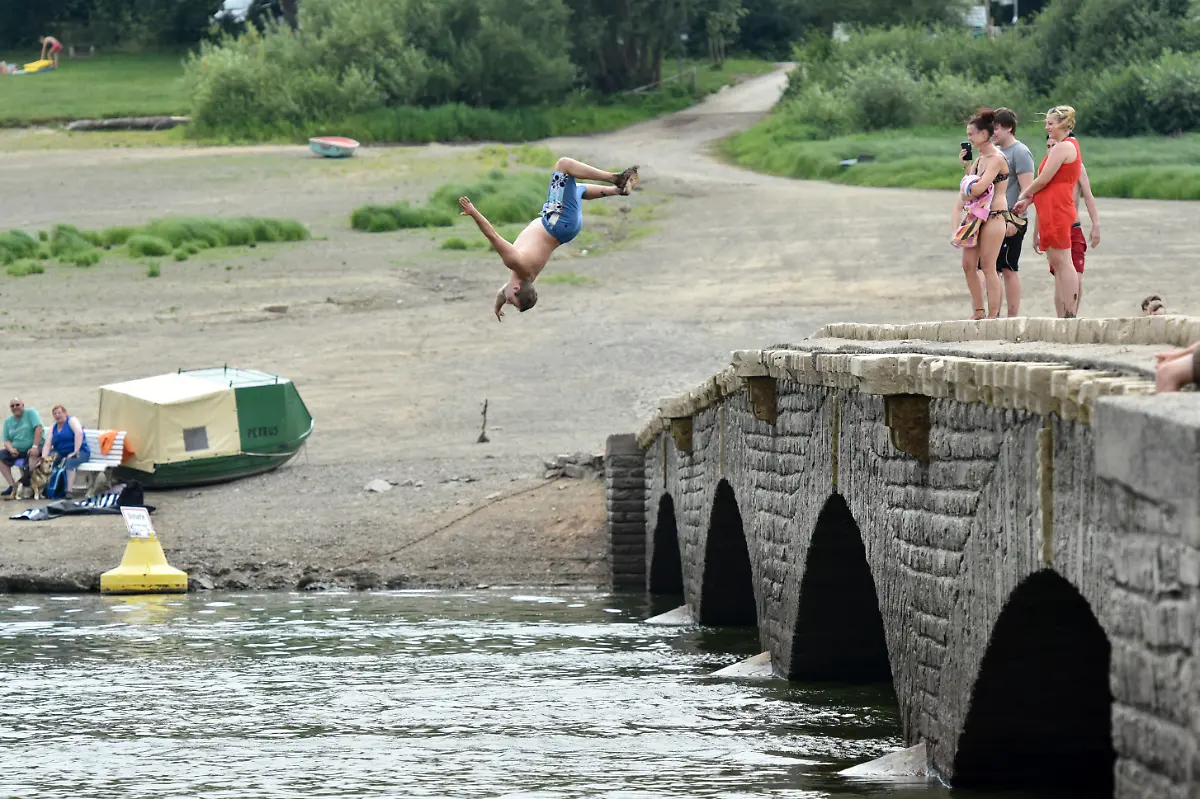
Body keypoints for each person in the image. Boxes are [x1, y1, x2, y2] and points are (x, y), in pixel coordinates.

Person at [458, 157, 639, 321]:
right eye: (511, 302)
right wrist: (474, 213)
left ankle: (617, 190)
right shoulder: (514, 262)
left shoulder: (528, 278)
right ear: (516, 289)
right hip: (558, 222)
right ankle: (616, 178)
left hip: (568, 229)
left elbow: (502, 294)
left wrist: (497, 307)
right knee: (563, 166)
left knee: (576, 189)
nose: (508, 302)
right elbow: (492, 234)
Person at [1015, 106, 1082, 318]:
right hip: (1048, 207)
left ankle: (1070, 311)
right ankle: (1064, 312)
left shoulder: (1064, 147)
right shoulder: (1060, 147)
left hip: (1059, 208)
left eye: (1050, 123)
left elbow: (1044, 179)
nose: (1047, 127)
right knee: (1055, 260)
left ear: (1063, 124)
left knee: (1063, 260)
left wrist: (1023, 195)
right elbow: (1046, 185)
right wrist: (1030, 200)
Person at [954, 108, 1010, 320]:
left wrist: (968, 188)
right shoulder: (978, 161)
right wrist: (967, 168)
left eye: (971, 134)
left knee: (988, 265)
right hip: (977, 216)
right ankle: (978, 310)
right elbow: (969, 191)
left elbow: (977, 189)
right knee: (968, 264)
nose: (968, 138)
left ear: (984, 135)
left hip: (994, 215)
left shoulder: (996, 159)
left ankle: (993, 315)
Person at [990, 108, 1036, 317]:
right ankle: (994, 314)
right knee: (991, 268)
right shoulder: (994, 154)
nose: (993, 132)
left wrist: (1014, 220)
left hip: (1011, 219)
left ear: (1009, 128)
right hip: (993, 218)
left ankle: (1012, 316)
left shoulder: (1020, 152)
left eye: (996, 128)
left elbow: (1028, 192)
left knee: (1008, 267)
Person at [41, 404, 90, 495]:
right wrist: (43, 458)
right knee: (48, 462)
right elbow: (48, 443)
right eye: (55, 414)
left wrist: (75, 451)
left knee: (70, 463)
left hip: (80, 451)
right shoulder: (53, 427)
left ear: (65, 413)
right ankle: (47, 488)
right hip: (61, 451)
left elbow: (79, 433)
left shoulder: (71, 421)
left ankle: (68, 490)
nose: (57, 415)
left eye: (59, 413)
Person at [0, 398, 44, 499]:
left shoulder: (31, 413)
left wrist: (34, 446)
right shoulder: (8, 422)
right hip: (17, 450)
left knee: (33, 455)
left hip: (35, 446)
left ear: (23, 405)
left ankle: (29, 485)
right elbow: (6, 441)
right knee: (0, 456)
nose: (15, 407)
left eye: (17, 405)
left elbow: (39, 428)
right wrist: (11, 449)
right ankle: (12, 486)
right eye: (12, 406)